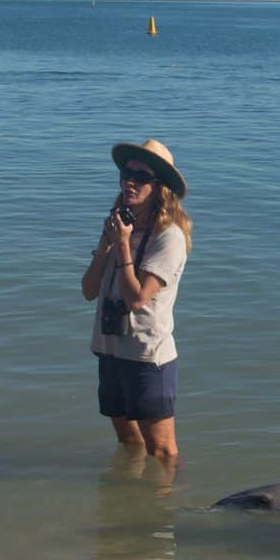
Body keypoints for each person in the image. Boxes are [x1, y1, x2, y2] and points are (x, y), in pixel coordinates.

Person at [81, 139, 192, 461]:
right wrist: (106, 246)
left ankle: (167, 505)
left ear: (160, 188)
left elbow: (136, 299)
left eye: (141, 177)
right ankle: (130, 501)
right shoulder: (121, 227)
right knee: (128, 443)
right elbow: (88, 290)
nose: (130, 181)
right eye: (127, 173)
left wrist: (124, 246)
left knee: (162, 451)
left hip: (147, 357)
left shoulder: (168, 237)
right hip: (110, 349)